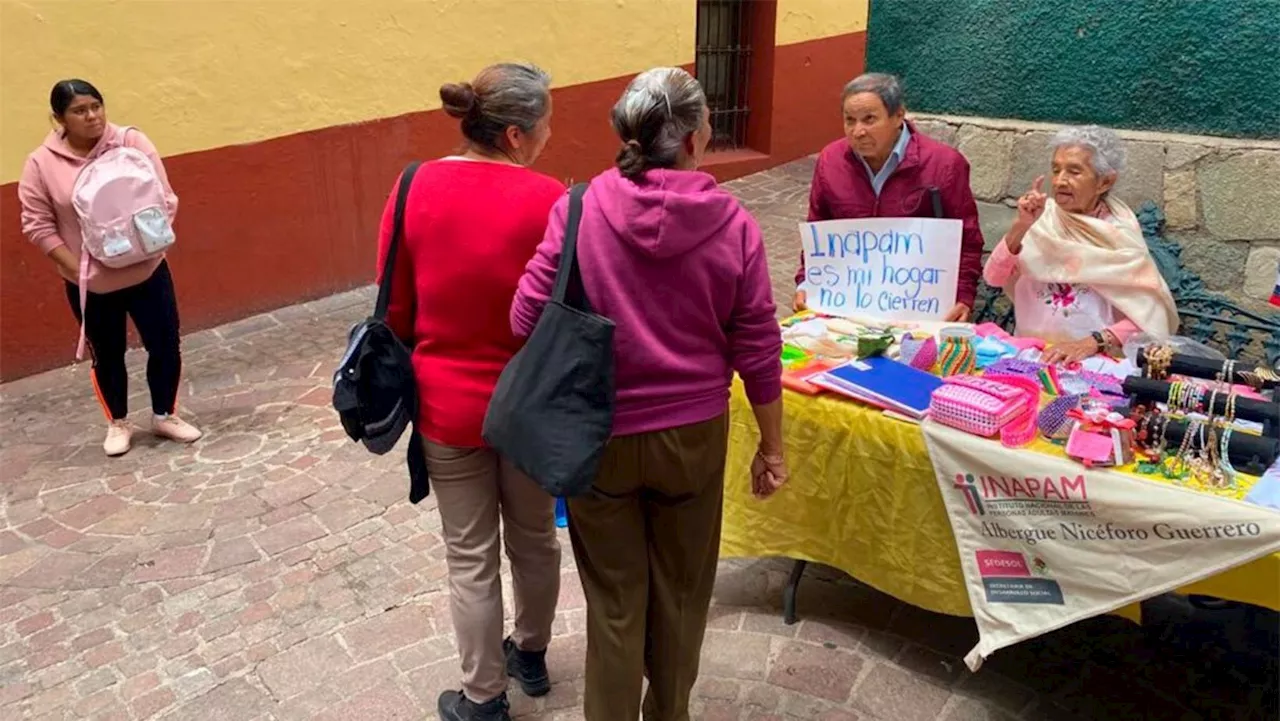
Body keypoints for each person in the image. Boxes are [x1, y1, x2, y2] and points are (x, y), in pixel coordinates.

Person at [510, 67, 788, 721]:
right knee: (683, 593)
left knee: (614, 600)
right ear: (692, 138)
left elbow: (524, 318)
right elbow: (758, 344)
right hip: (693, 434)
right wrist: (772, 446)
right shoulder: (734, 224)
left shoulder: (577, 209)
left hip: (597, 434)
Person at [375, 63, 564, 721]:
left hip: (447, 405)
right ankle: (532, 651)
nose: (548, 135)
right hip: (531, 406)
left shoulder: (411, 188)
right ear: (515, 134)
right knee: (536, 537)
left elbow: (394, 309)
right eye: (544, 125)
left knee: (471, 555)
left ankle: (483, 696)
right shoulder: (552, 200)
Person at [18, 79, 201, 457]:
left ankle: (165, 414)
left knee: (165, 343)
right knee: (108, 353)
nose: (92, 116)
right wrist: (78, 269)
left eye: (96, 106)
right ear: (59, 119)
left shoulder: (132, 143)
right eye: (80, 111)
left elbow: (164, 198)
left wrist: (145, 246)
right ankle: (118, 422)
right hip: (91, 283)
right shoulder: (42, 164)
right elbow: (37, 224)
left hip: (148, 271)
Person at [794, 72, 985, 321]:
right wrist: (807, 282)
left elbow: (967, 239)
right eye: (849, 120)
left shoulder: (945, 165)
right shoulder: (831, 161)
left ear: (898, 116)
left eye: (869, 119)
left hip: (916, 306)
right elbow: (818, 230)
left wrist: (962, 296)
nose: (858, 131)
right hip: (848, 305)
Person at [982, 125, 1178, 364]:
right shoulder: (1041, 218)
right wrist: (1021, 227)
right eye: (1056, 170)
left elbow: (1149, 313)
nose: (1060, 181)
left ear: (1105, 182)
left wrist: (1092, 343)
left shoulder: (1119, 232)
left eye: (1074, 172)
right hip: (1032, 355)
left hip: (1095, 362)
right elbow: (993, 278)